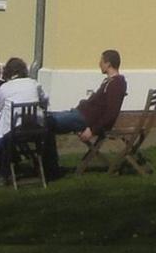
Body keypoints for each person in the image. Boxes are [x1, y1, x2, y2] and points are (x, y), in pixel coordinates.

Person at [40, 49, 128, 177]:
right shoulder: (109, 82)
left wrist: (92, 130)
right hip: (80, 114)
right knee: (45, 119)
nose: (99, 64)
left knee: (47, 122)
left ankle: (50, 170)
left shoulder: (116, 84)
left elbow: (111, 113)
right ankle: (49, 168)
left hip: (84, 119)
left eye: (101, 61)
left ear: (108, 64)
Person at [0, 57, 46, 184]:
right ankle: (24, 163)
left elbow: (1, 106)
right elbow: (44, 99)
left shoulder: (5, 88)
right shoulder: (34, 83)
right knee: (6, 139)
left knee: (0, 139)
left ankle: (5, 171)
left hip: (15, 130)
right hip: (36, 127)